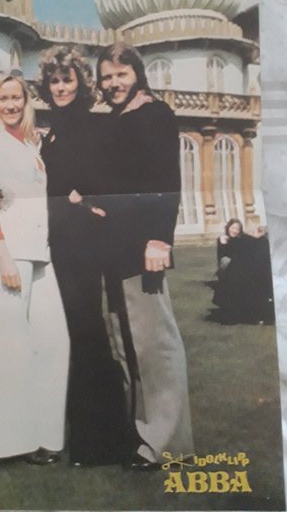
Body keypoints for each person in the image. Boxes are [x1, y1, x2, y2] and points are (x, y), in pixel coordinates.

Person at [95, 42, 194, 470]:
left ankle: (169, 444)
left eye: (121, 74)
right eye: (106, 77)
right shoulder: (119, 118)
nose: (113, 83)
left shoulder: (154, 114)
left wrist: (159, 239)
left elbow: (166, 181)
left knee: (155, 345)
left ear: (137, 74)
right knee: (128, 343)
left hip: (143, 248)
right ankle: (143, 433)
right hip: (115, 247)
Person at [38, 45, 128, 466]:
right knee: (74, 333)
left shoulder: (92, 124)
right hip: (60, 243)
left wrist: (85, 199)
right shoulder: (52, 132)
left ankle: (100, 442)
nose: (60, 87)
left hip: (83, 244)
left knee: (87, 331)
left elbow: (107, 180)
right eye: (54, 81)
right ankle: (88, 437)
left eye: (67, 80)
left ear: (81, 82)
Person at [0, 72, 69, 464]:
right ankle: (10, 443)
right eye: (3, 99)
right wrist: (3, 255)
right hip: (12, 254)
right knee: (12, 344)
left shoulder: (31, 142)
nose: (11, 105)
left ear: (26, 101)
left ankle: (46, 435)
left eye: (17, 98)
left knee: (53, 340)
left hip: (41, 253)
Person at [211, 218, 275, 324]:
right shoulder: (223, 239)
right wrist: (223, 244)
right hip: (228, 268)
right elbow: (222, 257)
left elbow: (253, 241)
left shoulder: (241, 238)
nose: (234, 231)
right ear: (228, 227)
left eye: (237, 229)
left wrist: (258, 236)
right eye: (232, 228)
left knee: (261, 244)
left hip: (240, 269)